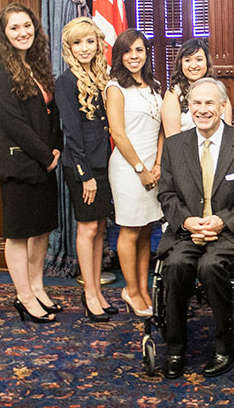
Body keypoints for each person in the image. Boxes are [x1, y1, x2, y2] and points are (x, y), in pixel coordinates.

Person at [157, 78, 234, 379]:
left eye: (209, 103)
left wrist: (223, 221)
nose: (202, 109)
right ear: (189, 107)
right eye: (196, 103)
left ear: (223, 107)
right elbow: (166, 194)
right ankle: (175, 347)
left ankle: (226, 343)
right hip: (189, 230)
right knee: (176, 264)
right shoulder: (174, 146)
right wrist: (186, 221)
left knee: (210, 266)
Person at [0, 3, 62, 323]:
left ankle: (38, 287)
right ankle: (24, 296)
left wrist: (55, 149)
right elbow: (12, 122)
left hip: (45, 163)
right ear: (4, 34)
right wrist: (46, 157)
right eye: (14, 28)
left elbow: (51, 113)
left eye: (27, 25)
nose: (23, 32)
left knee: (41, 230)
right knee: (18, 234)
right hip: (18, 165)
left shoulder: (37, 65)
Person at [56, 17, 116, 322]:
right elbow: (71, 132)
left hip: (103, 162)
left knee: (100, 228)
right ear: (69, 47)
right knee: (88, 228)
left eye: (89, 41)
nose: (84, 48)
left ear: (98, 44)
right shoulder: (66, 81)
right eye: (77, 43)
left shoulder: (101, 76)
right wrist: (85, 175)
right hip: (82, 167)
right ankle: (89, 293)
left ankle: (97, 290)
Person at [106, 29, 163, 317]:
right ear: (119, 55)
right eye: (127, 51)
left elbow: (162, 130)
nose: (134, 56)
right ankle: (130, 289)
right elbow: (118, 133)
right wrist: (141, 169)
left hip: (153, 168)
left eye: (139, 50)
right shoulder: (115, 87)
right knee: (130, 229)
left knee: (146, 230)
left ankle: (143, 288)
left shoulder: (155, 85)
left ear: (146, 53)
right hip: (129, 169)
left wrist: (158, 165)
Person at [161, 38, 232, 136]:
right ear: (181, 63)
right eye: (187, 60)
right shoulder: (174, 94)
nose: (193, 65)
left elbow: (229, 135)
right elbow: (173, 142)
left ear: (207, 62)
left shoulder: (218, 91)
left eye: (199, 59)